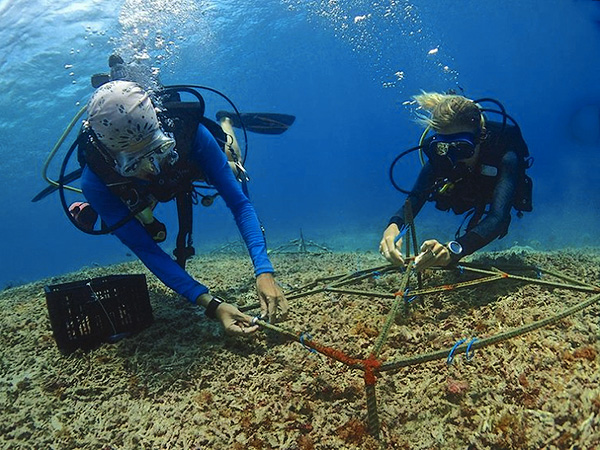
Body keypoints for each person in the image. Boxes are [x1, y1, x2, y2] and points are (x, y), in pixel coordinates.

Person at [80, 79, 289, 335]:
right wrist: (210, 304)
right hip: (137, 192)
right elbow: (146, 250)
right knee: (136, 216)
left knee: (234, 165)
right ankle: (146, 210)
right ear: (110, 156)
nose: (152, 169)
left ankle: (226, 122)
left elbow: (240, 204)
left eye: (158, 151)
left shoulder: (190, 134)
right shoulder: (96, 183)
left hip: (187, 167)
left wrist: (263, 270)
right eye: (134, 163)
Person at [379, 91, 531, 271]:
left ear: (480, 137)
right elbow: (414, 199)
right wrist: (393, 226)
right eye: (444, 147)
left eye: (462, 148)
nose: (452, 157)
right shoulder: (440, 159)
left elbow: (498, 217)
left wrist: (453, 251)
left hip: (493, 191)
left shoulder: (505, 157)